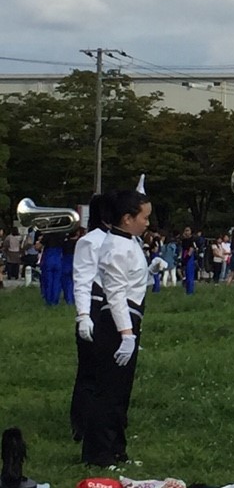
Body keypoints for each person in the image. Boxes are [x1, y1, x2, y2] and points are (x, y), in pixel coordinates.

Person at [80, 184, 153, 467]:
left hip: (128, 319)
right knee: (108, 392)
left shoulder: (127, 242)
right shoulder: (115, 247)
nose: (147, 223)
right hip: (116, 323)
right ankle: (99, 454)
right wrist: (126, 334)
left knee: (120, 392)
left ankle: (117, 450)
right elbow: (116, 294)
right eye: (143, 217)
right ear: (127, 218)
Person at [70, 193, 112, 445]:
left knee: (109, 372)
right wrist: (83, 315)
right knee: (89, 372)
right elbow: (83, 281)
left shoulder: (118, 240)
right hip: (94, 307)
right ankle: (82, 424)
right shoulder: (90, 241)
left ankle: (103, 422)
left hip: (114, 307)